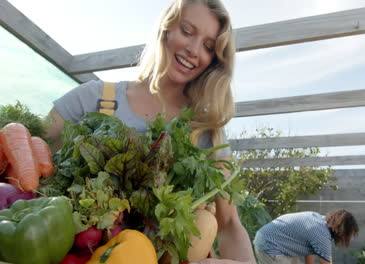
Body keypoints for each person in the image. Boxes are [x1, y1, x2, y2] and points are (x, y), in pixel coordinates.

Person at [44, 0, 256, 263]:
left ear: (214, 59)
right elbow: (30, 162)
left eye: (208, 46)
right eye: (187, 31)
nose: (193, 50)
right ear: (166, 28)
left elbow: (229, 224)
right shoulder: (93, 98)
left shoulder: (206, 133)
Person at [253, 209, 359, 264]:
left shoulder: (319, 220)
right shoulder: (322, 236)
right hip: (269, 245)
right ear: (341, 230)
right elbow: (326, 263)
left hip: (276, 243)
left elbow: (309, 251)